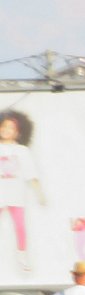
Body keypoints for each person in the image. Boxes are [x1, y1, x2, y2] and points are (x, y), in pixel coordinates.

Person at [0, 109, 45, 273]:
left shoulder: (21, 151)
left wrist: (40, 194)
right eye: (4, 127)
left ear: (17, 132)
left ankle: (22, 257)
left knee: (19, 226)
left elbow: (31, 174)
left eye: (11, 128)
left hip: (15, 195)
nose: (6, 131)